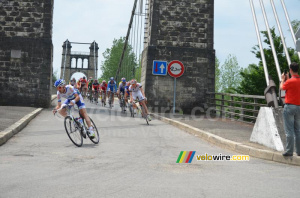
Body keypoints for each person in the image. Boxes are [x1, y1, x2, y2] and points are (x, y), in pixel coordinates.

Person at [280, 62, 300, 156]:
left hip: (289, 107)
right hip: (298, 107)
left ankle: (289, 151)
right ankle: (299, 151)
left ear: (290, 70)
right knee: (298, 130)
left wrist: (282, 79)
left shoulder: (289, 82)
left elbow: (282, 88)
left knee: (289, 130)